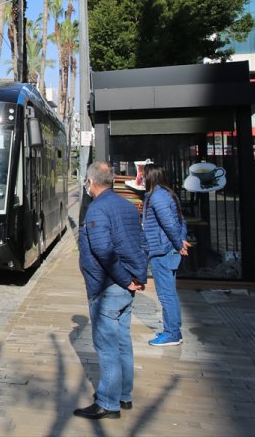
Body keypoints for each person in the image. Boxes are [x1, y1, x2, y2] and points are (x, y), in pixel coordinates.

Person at [75, 161, 148, 420]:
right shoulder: (128, 207)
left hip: (108, 288)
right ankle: (123, 395)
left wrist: (126, 280)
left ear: (91, 182)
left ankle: (108, 402)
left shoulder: (96, 210)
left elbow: (104, 252)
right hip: (124, 287)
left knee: (107, 347)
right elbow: (141, 243)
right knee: (122, 342)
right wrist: (138, 276)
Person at [142, 163, 190, 346]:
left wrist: (179, 244)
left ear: (150, 177)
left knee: (166, 294)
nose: (140, 178)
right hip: (166, 249)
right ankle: (173, 331)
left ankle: (172, 333)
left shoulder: (157, 197)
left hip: (162, 251)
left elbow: (170, 224)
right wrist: (181, 241)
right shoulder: (167, 194)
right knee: (169, 293)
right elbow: (180, 220)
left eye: (143, 175)